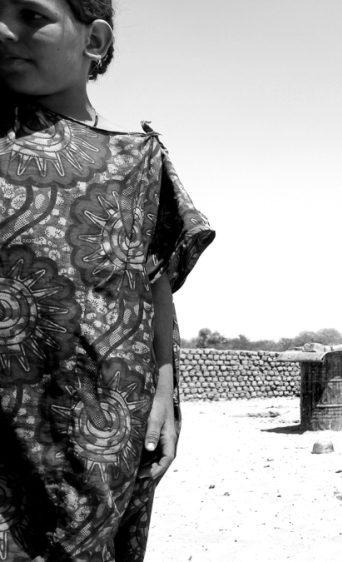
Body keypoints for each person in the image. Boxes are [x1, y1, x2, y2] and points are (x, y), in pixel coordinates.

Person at [0, 1, 215, 560]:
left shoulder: (138, 161)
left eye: (30, 15)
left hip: (100, 424)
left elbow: (156, 283)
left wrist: (165, 389)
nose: (4, 31)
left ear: (94, 40)